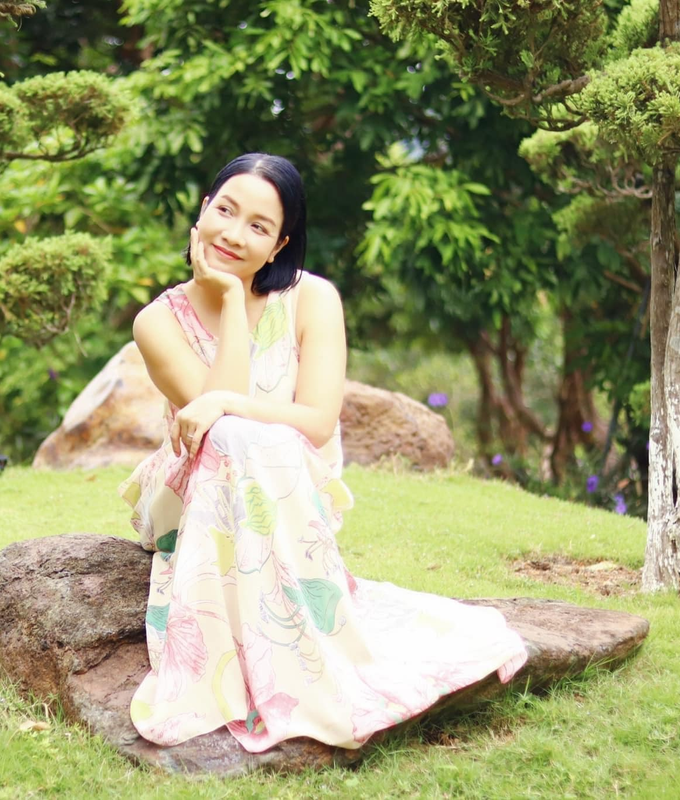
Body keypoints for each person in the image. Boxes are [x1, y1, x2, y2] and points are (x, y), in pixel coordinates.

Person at [118, 153, 528, 753]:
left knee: (248, 434)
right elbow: (209, 432)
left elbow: (314, 422)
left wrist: (226, 397)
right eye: (225, 210)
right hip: (191, 491)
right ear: (203, 210)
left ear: (280, 244)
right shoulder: (158, 321)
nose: (234, 233)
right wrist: (229, 300)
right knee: (231, 435)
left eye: (259, 226)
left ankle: (299, 667)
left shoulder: (312, 299)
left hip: (288, 486)